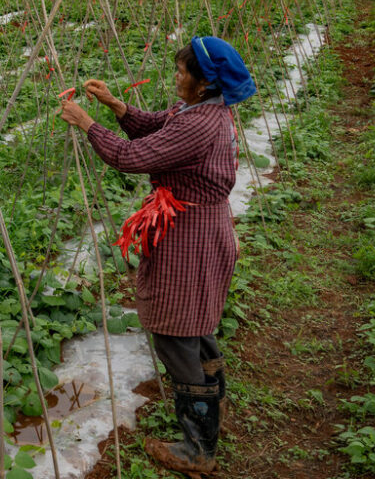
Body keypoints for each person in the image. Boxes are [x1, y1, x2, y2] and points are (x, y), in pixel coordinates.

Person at [60, 37, 255, 476]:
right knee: (195, 320)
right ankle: (214, 400)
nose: (176, 77)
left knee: (174, 331)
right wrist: (116, 106)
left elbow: (130, 156)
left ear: (204, 82)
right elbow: (157, 127)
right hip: (200, 229)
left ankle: (199, 447)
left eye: (182, 72)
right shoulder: (202, 111)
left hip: (191, 236)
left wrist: (87, 123)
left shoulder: (199, 124)